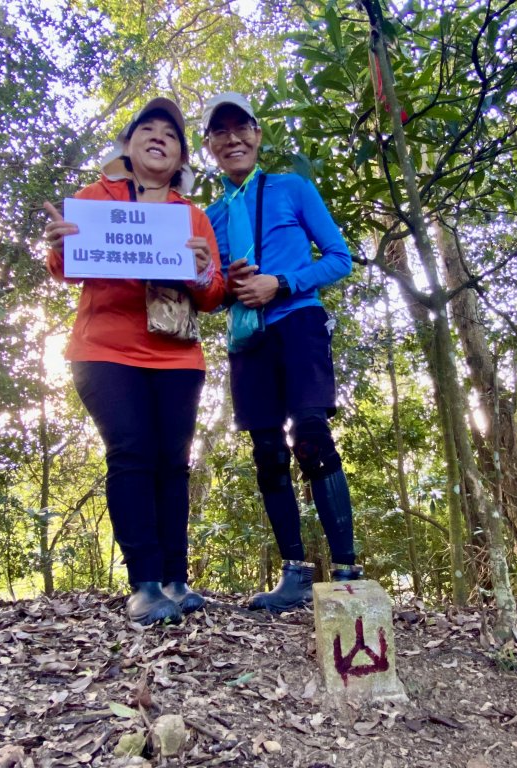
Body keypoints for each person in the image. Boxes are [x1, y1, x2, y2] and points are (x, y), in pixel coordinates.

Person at [43, 97, 225, 625]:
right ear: (128, 144)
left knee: (173, 462)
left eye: (171, 134)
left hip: (177, 358)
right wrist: (58, 245)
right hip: (105, 351)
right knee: (131, 453)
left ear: (181, 157)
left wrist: (198, 271)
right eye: (148, 128)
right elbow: (68, 269)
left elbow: (212, 294)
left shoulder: (190, 216)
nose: (159, 137)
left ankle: (175, 579)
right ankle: (144, 584)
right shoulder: (92, 200)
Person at [202, 92, 362, 613]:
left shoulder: (293, 188)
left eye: (241, 127)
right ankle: (294, 575)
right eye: (220, 133)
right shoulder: (210, 216)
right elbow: (208, 291)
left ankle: (346, 572)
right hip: (247, 337)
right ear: (209, 147)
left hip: (299, 322)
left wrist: (281, 282)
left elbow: (340, 259)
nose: (233, 139)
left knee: (311, 435)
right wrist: (229, 284)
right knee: (267, 450)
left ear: (258, 134)